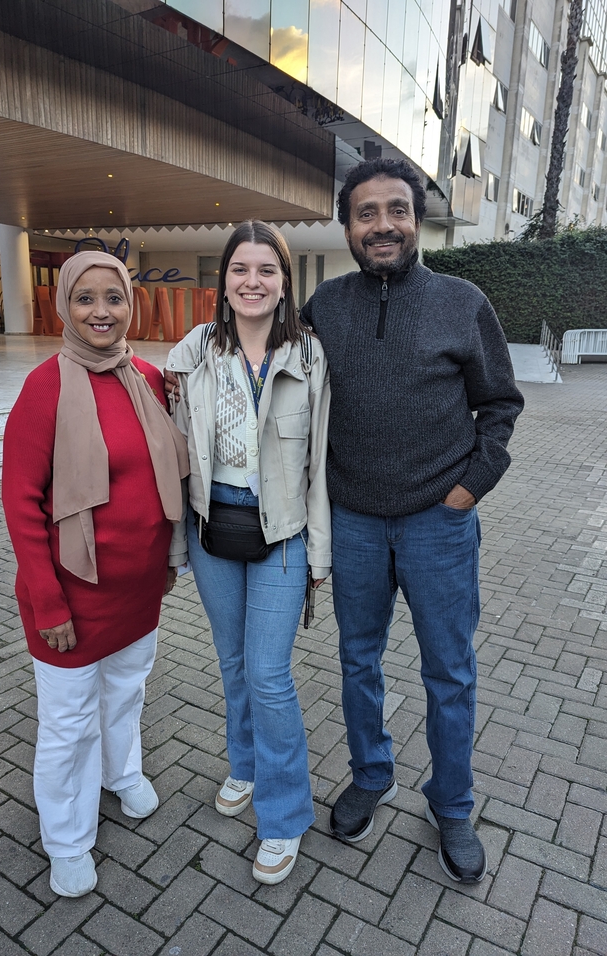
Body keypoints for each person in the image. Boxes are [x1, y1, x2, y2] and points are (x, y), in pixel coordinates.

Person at [300, 157, 524, 884]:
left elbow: (501, 406)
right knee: (357, 660)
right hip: (355, 523)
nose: (383, 225)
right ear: (347, 228)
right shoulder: (324, 307)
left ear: (416, 219)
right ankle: (372, 773)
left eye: (396, 210)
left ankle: (452, 805)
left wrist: (467, 490)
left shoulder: (463, 302)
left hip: (438, 523)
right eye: (367, 214)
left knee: (449, 672)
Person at [2, 251, 188, 898]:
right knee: (68, 722)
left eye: (114, 297)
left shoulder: (147, 378)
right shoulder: (44, 387)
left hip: (138, 590)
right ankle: (67, 837)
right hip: (69, 598)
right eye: (86, 298)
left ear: (130, 303)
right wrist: (47, 601)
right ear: (64, 306)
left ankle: (122, 773)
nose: (101, 311)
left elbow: (171, 478)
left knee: (127, 692)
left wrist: (168, 561)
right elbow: (21, 502)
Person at [166, 220, 331, 884]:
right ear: (223, 279)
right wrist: (177, 546)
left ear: (285, 282)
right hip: (213, 533)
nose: (253, 282)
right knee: (234, 664)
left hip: (282, 536)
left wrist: (319, 557)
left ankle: (285, 814)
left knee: (269, 674)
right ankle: (244, 764)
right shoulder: (194, 352)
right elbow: (175, 452)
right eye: (241, 269)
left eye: (267, 270)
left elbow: (320, 463)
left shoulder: (309, 355)